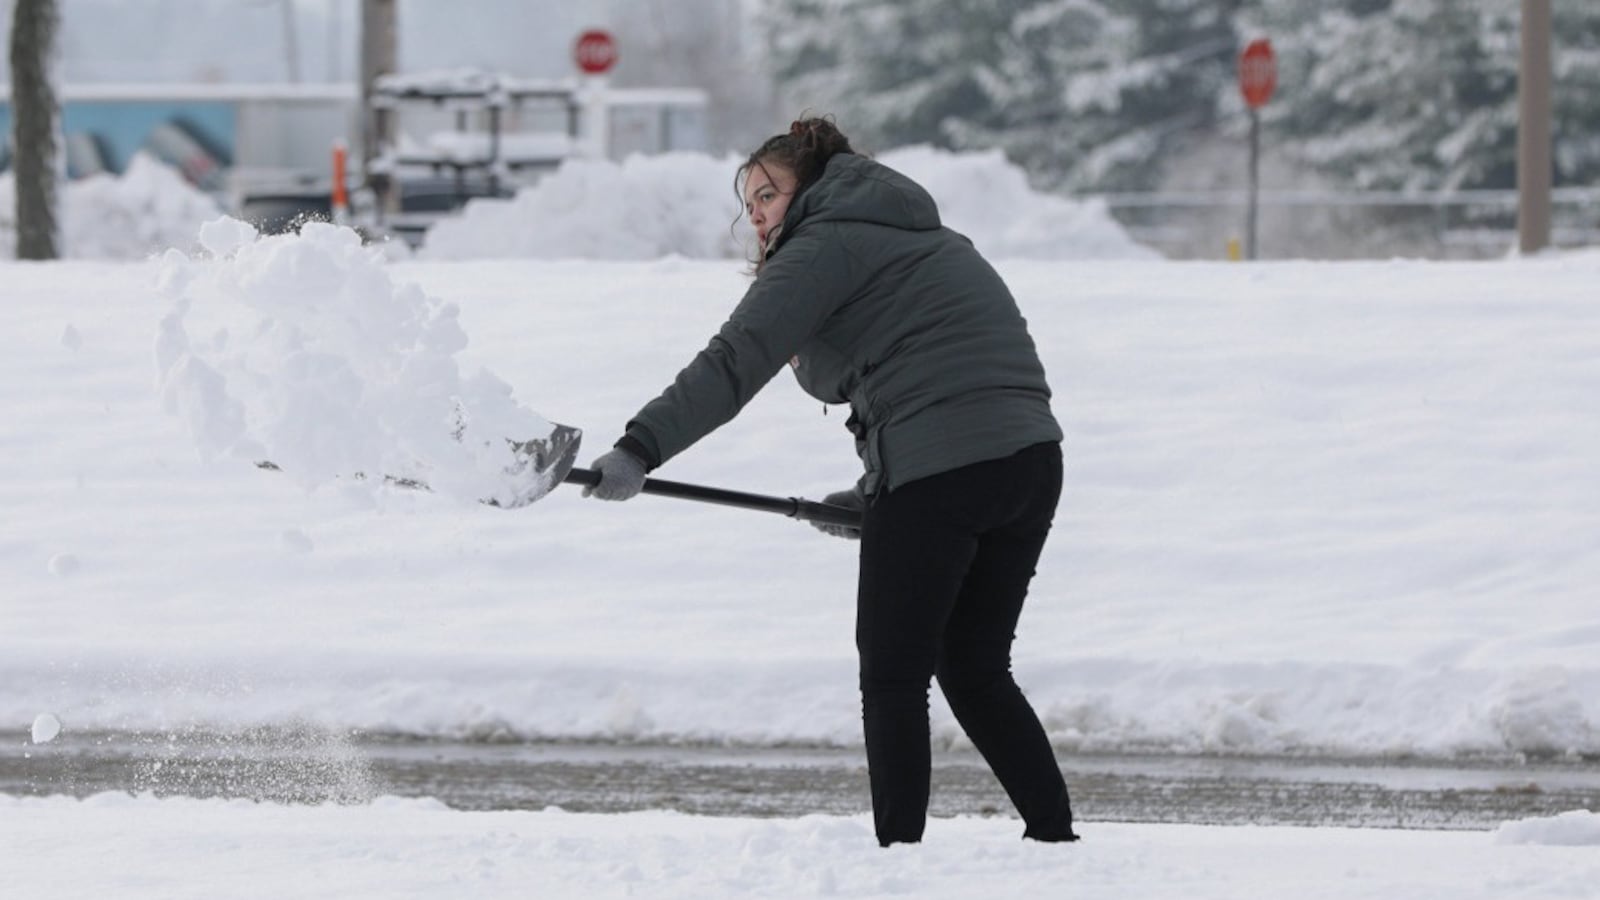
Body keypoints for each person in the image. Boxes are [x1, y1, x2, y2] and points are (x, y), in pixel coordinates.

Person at [582, 116, 1079, 847]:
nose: (756, 213)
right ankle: (1053, 839)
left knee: (893, 676)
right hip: (1030, 466)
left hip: (942, 471)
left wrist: (639, 447)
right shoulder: (921, 236)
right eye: (747, 202)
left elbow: (734, 361)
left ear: (811, 185)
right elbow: (933, 370)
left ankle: (898, 861)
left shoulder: (824, 244)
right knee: (973, 665)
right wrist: (881, 488)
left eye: (768, 193)